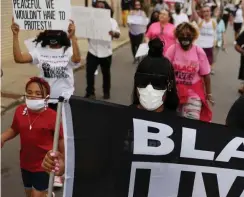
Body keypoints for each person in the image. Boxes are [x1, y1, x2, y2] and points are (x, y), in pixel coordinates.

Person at [42, 38, 180, 177]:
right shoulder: (120, 121)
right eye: (144, 82)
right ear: (136, 83)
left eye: (157, 83)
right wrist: (66, 165)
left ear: (169, 86)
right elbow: (98, 161)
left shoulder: (183, 129)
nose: (149, 89)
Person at [1, 77, 64, 197]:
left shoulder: (53, 116)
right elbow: (14, 129)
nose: (33, 97)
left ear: (46, 97)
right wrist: (2, 138)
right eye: (29, 93)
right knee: (31, 195)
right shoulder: (20, 111)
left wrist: (62, 160)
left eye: (38, 94)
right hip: (25, 163)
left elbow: (60, 140)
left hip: (44, 164)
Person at [11, 19, 81, 113]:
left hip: (65, 100)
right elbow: (19, 58)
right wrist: (15, 36)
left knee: (63, 127)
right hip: (45, 101)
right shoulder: (39, 50)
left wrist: (73, 37)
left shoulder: (68, 50)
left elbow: (76, 59)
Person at [165, 22, 213, 122]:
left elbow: (206, 74)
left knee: (191, 124)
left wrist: (208, 94)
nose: (185, 38)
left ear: (193, 37)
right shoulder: (172, 50)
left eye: (188, 35)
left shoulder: (198, 51)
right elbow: (164, 71)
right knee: (173, 122)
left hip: (193, 94)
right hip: (174, 93)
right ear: (177, 36)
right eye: (182, 35)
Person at [85, 0, 120, 100]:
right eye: (98, 7)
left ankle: (106, 92)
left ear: (106, 9)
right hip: (92, 50)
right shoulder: (90, 21)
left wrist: (113, 33)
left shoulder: (111, 21)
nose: (100, 9)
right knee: (89, 72)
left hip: (106, 52)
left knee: (106, 73)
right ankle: (90, 92)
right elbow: (86, 32)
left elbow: (118, 34)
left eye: (102, 7)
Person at [191, 1, 217, 74]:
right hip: (200, 47)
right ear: (202, 13)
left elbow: (221, 10)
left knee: (207, 69)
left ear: (210, 12)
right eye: (204, 11)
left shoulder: (214, 21)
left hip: (210, 47)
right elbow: (193, 11)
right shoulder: (199, 21)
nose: (206, 13)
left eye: (208, 11)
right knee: (199, 69)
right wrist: (193, 2)